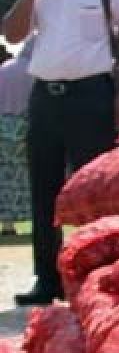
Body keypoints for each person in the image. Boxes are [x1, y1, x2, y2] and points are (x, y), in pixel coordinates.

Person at [1, 0, 119, 305]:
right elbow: (12, 36)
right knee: (44, 193)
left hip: (92, 98)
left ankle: (93, 277)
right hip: (45, 99)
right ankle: (46, 279)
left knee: (92, 193)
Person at [0, 40, 36, 237]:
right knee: (30, 175)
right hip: (27, 126)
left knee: (4, 175)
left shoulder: (4, 69)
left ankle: (7, 224)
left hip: (3, 126)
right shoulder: (35, 71)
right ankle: (34, 219)